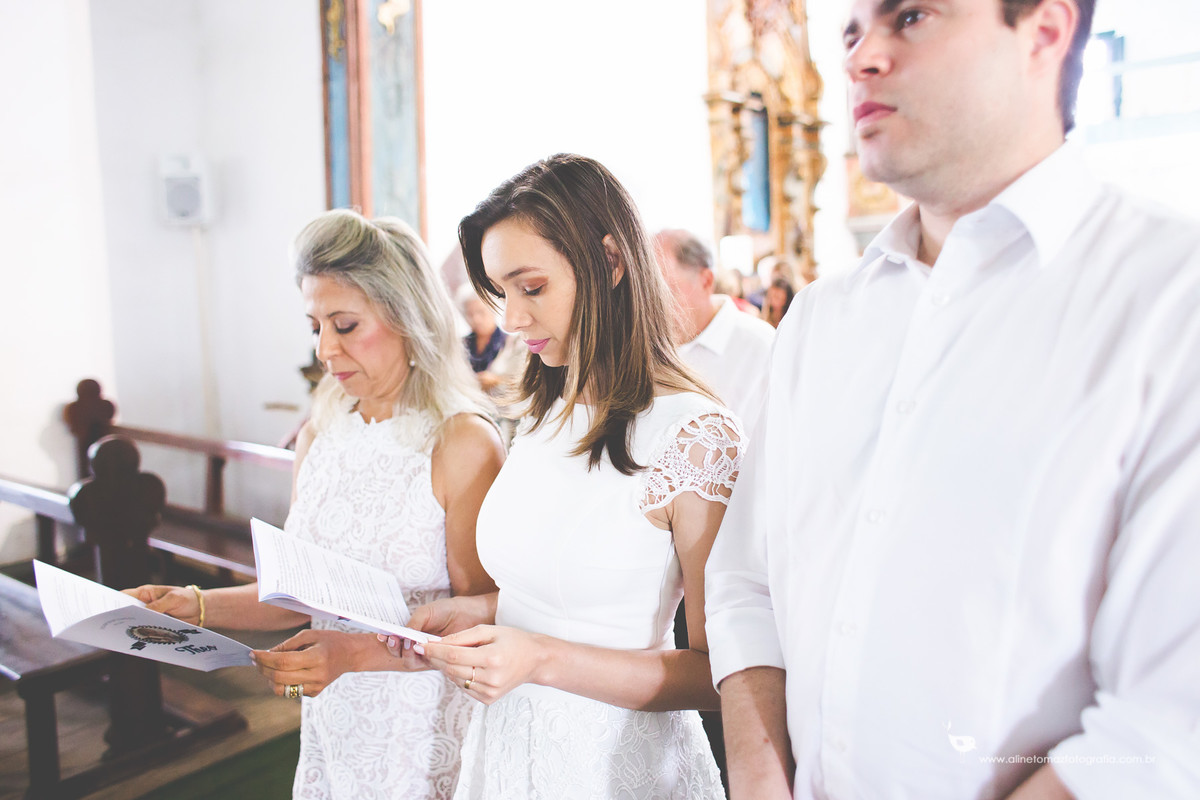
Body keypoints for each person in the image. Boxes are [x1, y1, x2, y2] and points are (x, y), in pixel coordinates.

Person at [705, 0, 1200, 798]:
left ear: (1044, 31)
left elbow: (1167, 724)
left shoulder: (1171, 297)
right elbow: (745, 584)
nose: (863, 56)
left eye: (910, 17)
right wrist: (760, 776)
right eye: (852, 30)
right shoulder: (823, 321)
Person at [390, 154, 745, 799]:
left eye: (531, 288)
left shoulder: (692, 435)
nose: (511, 319)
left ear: (610, 263)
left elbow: (723, 671)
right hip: (507, 746)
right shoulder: (543, 413)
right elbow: (564, 593)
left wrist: (540, 660)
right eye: (500, 293)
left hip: (614, 764)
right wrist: (475, 611)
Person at [126, 209, 506, 800]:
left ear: (409, 319)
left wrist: (354, 654)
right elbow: (298, 595)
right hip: (336, 713)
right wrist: (194, 604)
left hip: (424, 725)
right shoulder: (322, 432)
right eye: (314, 325)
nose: (325, 349)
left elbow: (487, 622)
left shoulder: (461, 442)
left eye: (346, 325)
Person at [655, 228, 775, 440]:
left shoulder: (760, 346)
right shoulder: (640, 343)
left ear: (706, 281)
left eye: (666, 292)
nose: (654, 306)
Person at [456, 282, 509, 382]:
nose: (476, 319)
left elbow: (519, 381)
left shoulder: (509, 342)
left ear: (493, 310)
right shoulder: (460, 344)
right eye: (470, 314)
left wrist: (498, 381)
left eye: (481, 312)